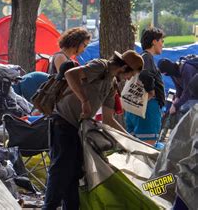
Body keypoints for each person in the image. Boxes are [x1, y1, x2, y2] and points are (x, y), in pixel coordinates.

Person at [43, 50, 143, 210]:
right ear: (124, 68)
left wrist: (129, 140)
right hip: (63, 122)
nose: (129, 79)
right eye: (130, 74)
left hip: (78, 129)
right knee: (61, 170)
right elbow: (70, 75)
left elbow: (108, 119)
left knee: (75, 173)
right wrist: (84, 100)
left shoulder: (112, 85)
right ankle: (49, 207)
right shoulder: (100, 66)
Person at [124, 27, 165, 145]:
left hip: (134, 107)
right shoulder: (147, 57)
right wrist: (151, 92)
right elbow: (145, 74)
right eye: (161, 41)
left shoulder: (141, 57)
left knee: (134, 147)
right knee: (147, 149)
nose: (162, 45)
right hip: (147, 109)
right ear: (154, 41)